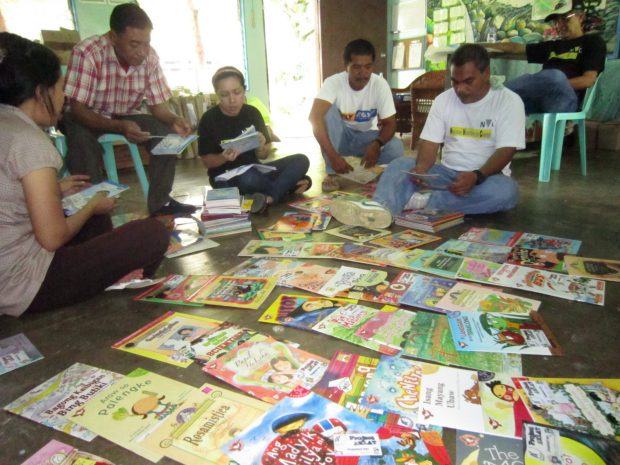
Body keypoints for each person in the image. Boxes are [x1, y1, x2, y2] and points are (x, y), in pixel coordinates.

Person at [0, 32, 169, 317]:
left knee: (93, 214)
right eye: (59, 87)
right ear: (41, 92)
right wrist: (92, 203)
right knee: (151, 233)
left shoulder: (6, 122)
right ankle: (110, 278)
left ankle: (107, 270)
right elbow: (52, 238)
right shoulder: (30, 141)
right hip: (22, 284)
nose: (63, 96)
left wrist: (57, 188)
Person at [329, 44, 525, 229]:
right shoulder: (444, 100)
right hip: (445, 173)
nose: (460, 89)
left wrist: (477, 176)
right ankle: (382, 209)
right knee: (400, 165)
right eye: (455, 82)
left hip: (486, 177)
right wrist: (422, 169)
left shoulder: (508, 101)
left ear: (486, 73)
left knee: (506, 192)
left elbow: (506, 150)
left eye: (468, 81)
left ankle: (424, 200)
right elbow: (430, 143)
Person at [62, 3, 196, 216]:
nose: (142, 51)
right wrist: (119, 126)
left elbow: (157, 105)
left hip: (125, 113)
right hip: (85, 115)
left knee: (168, 136)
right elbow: (77, 109)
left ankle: (160, 204)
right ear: (113, 37)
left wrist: (173, 119)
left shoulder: (150, 57)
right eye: (134, 44)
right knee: (81, 141)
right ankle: (93, 210)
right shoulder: (88, 52)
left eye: (147, 43)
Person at [198, 66, 311, 213]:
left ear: (244, 90)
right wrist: (223, 157)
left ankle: (268, 198)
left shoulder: (252, 113)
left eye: (236, 92)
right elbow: (207, 162)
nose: (232, 100)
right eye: (224, 94)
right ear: (217, 95)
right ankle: (287, 187)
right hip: (226, 178)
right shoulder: (209, 119)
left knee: (301, 159)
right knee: (249, 178)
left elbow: (263, 155)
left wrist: (261, 147)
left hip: (255, 170)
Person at [308, 38, 404, 192]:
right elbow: (314, 118)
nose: (363, 73)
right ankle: (333, 173)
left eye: (368, 67)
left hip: (367, 138)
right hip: (341, 138)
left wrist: (377, 144)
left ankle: (369, 173)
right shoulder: (333, 83)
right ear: (346, 67)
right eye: (356, 67)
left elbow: (390, 123)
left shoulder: (380, 84)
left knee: (396, 147)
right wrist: (333, 157)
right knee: (327, 112)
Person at [484, 0, 606, 114]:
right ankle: (490, 101)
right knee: (509, 105)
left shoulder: (592, 42)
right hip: (541, 97)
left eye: (565, 19)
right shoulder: (553, 46)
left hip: (568, 98)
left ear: (581, 17)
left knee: (554, 76)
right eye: (557, 21)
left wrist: (554, 84)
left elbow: (588, 80)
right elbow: (515, 48)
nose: (559, 25)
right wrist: (476, 47)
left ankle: (495, 93)